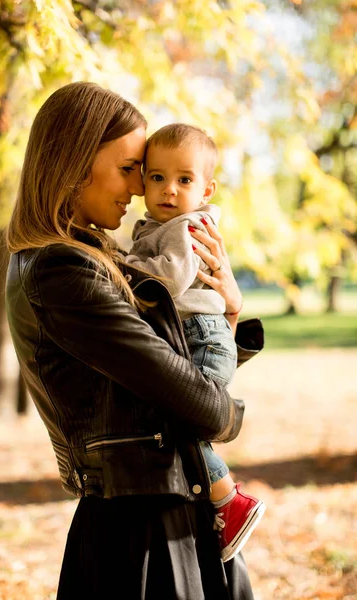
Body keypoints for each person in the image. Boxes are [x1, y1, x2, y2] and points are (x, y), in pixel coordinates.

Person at [5, 81, 264, 599]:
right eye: (130, 169)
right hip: (138, 528)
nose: (139, 188)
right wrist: (227, 414)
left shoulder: (95, 257)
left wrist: (229, 309)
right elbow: (195, 402)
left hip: (170, 503)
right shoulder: (60, 269)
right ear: (77, 161)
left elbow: (176, 358)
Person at [124, 123, 266, 562]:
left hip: (203, 338)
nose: (169, 189)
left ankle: (229, 500)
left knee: (181, 420)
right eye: (157, 177)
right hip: (198, 334)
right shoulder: (160, 224)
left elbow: (169, 278)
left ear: (207, 188)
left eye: (184, 180)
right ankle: (223, 506)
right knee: (177, 420)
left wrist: (123, 272)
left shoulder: (188, 227)